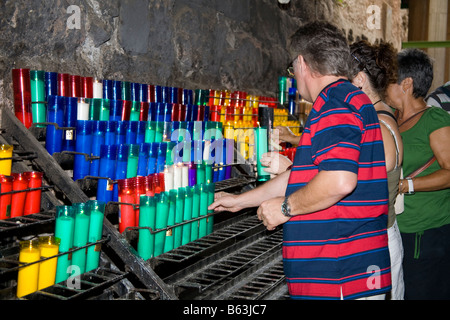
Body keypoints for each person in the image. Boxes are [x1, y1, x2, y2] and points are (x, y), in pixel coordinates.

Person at [209, 21, 392, 300]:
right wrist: (240, 201)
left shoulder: (334, 104)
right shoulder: (349, 99)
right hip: (346, 271)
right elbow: (305, 177)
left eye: (292, 69)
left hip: (338, 276)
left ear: (302, 63)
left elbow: (339, 180)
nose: (293, 76)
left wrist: (285, 208)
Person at [385, 48, 450, 300]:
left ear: (407, 83)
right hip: (398, 230)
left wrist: (406, 185)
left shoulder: (435, 120)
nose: (383, 85)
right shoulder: (391, 119)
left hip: (427, 234)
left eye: (389, 79)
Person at [349, 40, 404, 300]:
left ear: (359, 79)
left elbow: (351, 184)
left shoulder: (377, 127)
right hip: (383, 237)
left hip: (376, 241)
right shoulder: (381, 115)